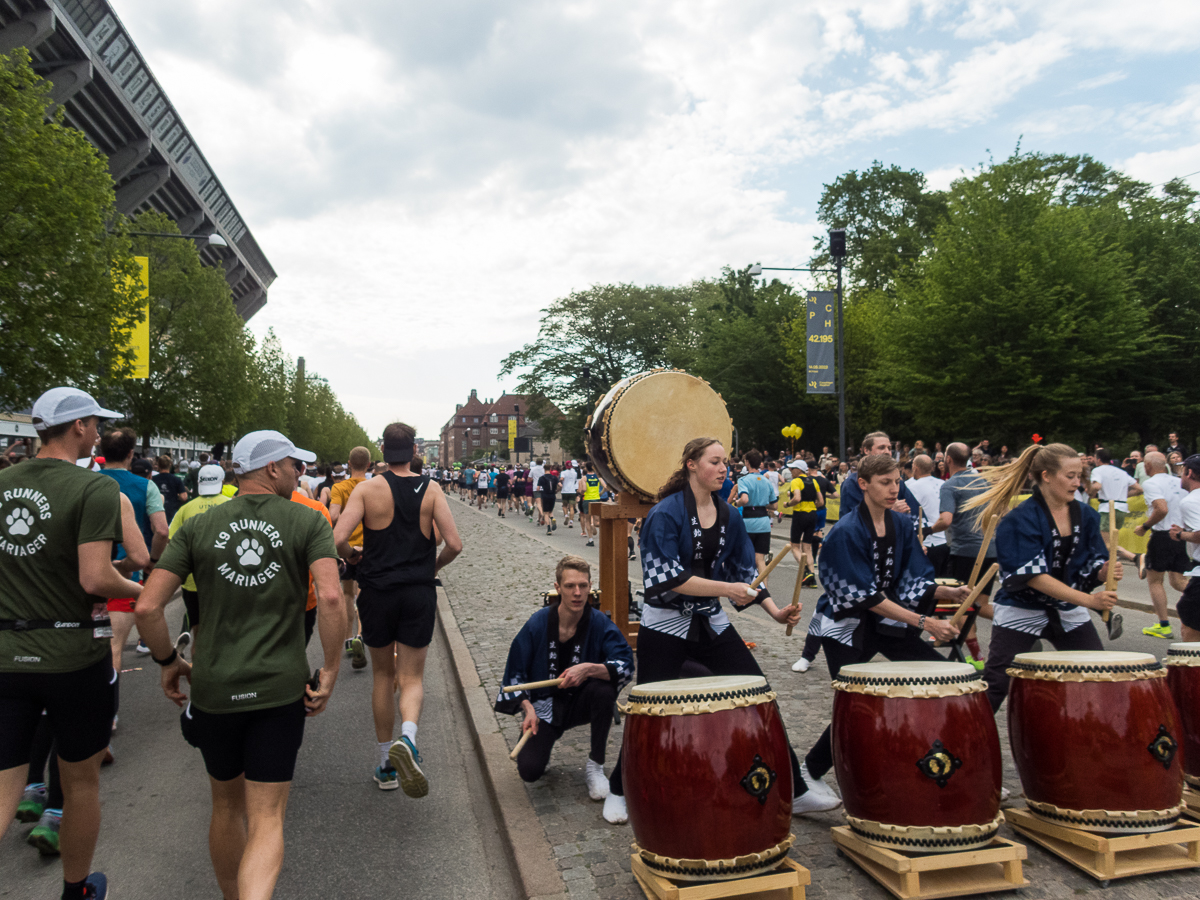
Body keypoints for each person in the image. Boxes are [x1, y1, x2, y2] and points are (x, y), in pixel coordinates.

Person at [135, 430, 345, 900]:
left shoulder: (195, 524)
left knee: (226, 807)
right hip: (277, 688)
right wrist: (329, 668)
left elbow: (148, 608)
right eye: (294, 465)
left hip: (213, 688)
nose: (299, 473)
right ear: (271, 468)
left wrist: (169, 661)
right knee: (267, 817)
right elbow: (331, 597)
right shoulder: (306, 521)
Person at [601, 438, 802, 825]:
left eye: (725, 462)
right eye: (714, 461)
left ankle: (799, 788)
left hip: (710, 621)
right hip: (666, 626)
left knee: (759, 695)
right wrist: (727, 590)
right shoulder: (665, 514)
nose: (723, 468)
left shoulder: (729, 515)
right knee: (650, 712)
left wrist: (777, 612)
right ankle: (618, 788)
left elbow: (746, 576)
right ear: (691, 464)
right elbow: (668, 579)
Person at [0, 387, 139, 900]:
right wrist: (140, 592)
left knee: (3, 783)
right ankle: (75, 891)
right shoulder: (92, 488)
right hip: (73, 655)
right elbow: (96, 578)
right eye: (95, 423)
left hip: (6, 654)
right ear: (77, 426)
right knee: (80, 784)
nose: (100, 432)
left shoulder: (2, 482)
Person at [793, 454, 968, 815]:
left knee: (944, 676)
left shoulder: (902, 525)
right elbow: (866, 597)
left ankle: (950, 764)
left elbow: (912, 578)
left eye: (897, 481)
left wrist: (945, 593)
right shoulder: (845, 532)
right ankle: (808, 774)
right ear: (863, 484)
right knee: (854, 706)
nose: (894, 489)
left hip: (887, 622)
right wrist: (924, 623)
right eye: (885, 482)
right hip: (846, 626)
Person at [334, 423, 463, 796]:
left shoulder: (366, 489)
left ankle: (385, 765)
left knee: (381, 676)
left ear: (383, 450)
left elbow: (338, 537)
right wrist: (431, 568)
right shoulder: (432, 488)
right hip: (417, 593)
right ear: (414, 450)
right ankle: (408, 738)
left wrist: (351, 557)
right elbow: (454, 543)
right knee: (412, 678)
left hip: (377, 591)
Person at [967, 444, 1119, 712]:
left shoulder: (1086, 515)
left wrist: (1103, 571)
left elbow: (1092, 559)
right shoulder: (1018, 520)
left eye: (1079, 475)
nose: (1077, 483)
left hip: (1067, 609)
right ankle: (966, 742)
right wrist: (1089, 600)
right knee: (997, 683)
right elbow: (1034, 577)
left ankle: (1095, 739)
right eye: (1069, 476)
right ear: (1046, 475)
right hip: (1022, 608)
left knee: (1097, 673)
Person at [496, 556, 632, 799]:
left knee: (604, 690)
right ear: (558, 588)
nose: (577, 593)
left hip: (581, 702)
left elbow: (624, 663)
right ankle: (546, 741)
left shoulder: (599, 623)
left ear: (591, 586)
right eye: (570, 586)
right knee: (529, 770)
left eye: (583, 586)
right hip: (544, 710)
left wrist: (589, 669)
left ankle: (595, 766)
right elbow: (514, 674)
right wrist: (527, 708)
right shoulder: (537, 624)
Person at [930, 442, 996, 665]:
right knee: (981, 605)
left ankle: (976, 657)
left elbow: (946, 520)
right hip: (990, 548)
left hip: (966, 551)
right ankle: (1024, 622)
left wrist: (925, 530)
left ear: (947, 459)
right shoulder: (984, 480)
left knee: (963, 604)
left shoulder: (950, 485)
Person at [168, 464, 230, 653]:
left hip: (192, 581)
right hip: (228, 578)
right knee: (226, 631)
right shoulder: (233, 504)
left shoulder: (185, 509)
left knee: (199, 632)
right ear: (221, 482)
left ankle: (198, 674)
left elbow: (172, 541)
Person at [1134, 451, 1190, 638]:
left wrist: (1144, 526)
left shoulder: (1150, 483)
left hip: (1162, 535)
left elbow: (1161, 508)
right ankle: (1192, 618)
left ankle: (1164, 625)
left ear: (1148, 467)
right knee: (1179, 581)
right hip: (1180, 534)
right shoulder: (1177, 480)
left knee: (1155, 581)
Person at [329, 446, 372, 670]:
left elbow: (333, 515)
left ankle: (347, 639)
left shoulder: (340, 487)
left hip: (346, 549)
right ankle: (360, 635)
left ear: (349, 463)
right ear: (369, 464)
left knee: (347, 593)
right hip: (368, 549)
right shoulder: (373, 487)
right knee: (363, 593)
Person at [837, 432, 918, 523]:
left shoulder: (898, 482)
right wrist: (892, 511)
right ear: (866, 450)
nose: (887, 452)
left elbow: (917, 514)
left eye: (889, 448)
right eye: (881, 447)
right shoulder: (852, 483)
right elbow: (854, 522)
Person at [1088, 448, 1144, 570]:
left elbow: (1097, 485)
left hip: (1108, 508)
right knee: (1111, 541)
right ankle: (1109, 569)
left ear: (1098, 459)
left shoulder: (1098, 470)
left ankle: (1134, 557)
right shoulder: (1121, 472)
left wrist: (1090, 493)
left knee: (1106, 543)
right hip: (1122, 508)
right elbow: (1139, 489)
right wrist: (1124, 496)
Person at [734, 450, 778, 582]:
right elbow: (774, 506)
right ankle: (764, 591)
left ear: (747, 462)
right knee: (760, 560)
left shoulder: (743, 479)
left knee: (745, 557)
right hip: (764, 521)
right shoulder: (766, 481)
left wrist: (737, 502)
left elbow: (745, 500)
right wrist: (762, 504)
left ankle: (746, 587)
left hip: (749, 521)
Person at [1170, 455, 1200, 642]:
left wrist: (1181, 535)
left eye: (1182, 471)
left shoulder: (1191, 501)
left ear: (1189, 472)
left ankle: (1192, 669)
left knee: (1190, 627)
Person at [906, 454, 948, 576]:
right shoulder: (943, 484)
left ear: (915, 468)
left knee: (926, 584)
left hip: (926, 541)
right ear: (932, 468)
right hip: (945, 539)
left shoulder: (910, 487)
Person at [152, 455, 189, 524]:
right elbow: (184, 497)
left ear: (158, 465)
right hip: (172, 511)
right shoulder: (176, 480)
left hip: (156, 511)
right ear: (170, 465)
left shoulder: (153, 480)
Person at [581, 463, 602, 547]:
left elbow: (584, 489)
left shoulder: (584, 478)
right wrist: (600, 493)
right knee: (597, 521)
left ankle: (590, 540)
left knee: (587, 520)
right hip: (596, 499)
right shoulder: (599, 477)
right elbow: (606, 487)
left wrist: (581, 493)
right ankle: (596, 528)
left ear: (586, 468)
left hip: (587, 500)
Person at [538, 466, 559, 534]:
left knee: (546, 513)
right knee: (550, 510)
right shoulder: (554, 477)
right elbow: (560, 485)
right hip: (552, 495)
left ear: (544, 469)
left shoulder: (542, 478)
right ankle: (552, 518)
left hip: (545, 495)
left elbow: (538, 488)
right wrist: (557, 490)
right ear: (550, 469)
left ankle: (549, 529)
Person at [560, 461, 579, 528]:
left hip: (565, 490)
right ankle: (571, 522)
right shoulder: (575, 473)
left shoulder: (563, 472)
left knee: (564, 505)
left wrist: (560, 481)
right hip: (572, 491)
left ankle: (566, 515)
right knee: (571, 507)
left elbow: (562, 478)